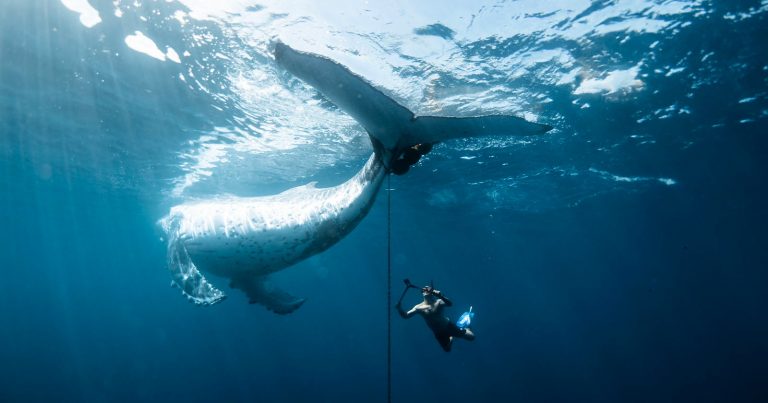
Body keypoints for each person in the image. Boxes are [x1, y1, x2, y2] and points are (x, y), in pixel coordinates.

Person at [396, 285, 475, 352]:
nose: (426, 290)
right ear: (422, 293)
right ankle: (451, 337)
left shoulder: (438, 302)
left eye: (428, 289)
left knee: (472, 337)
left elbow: (450, 304)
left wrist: (441, 296)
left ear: (432, 292)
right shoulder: (418, 307)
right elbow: (406, 316)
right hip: (438, 333)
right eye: (424, 289)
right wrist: (399, 309)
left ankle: (467, 329)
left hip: (448, 326)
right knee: (447, 350)